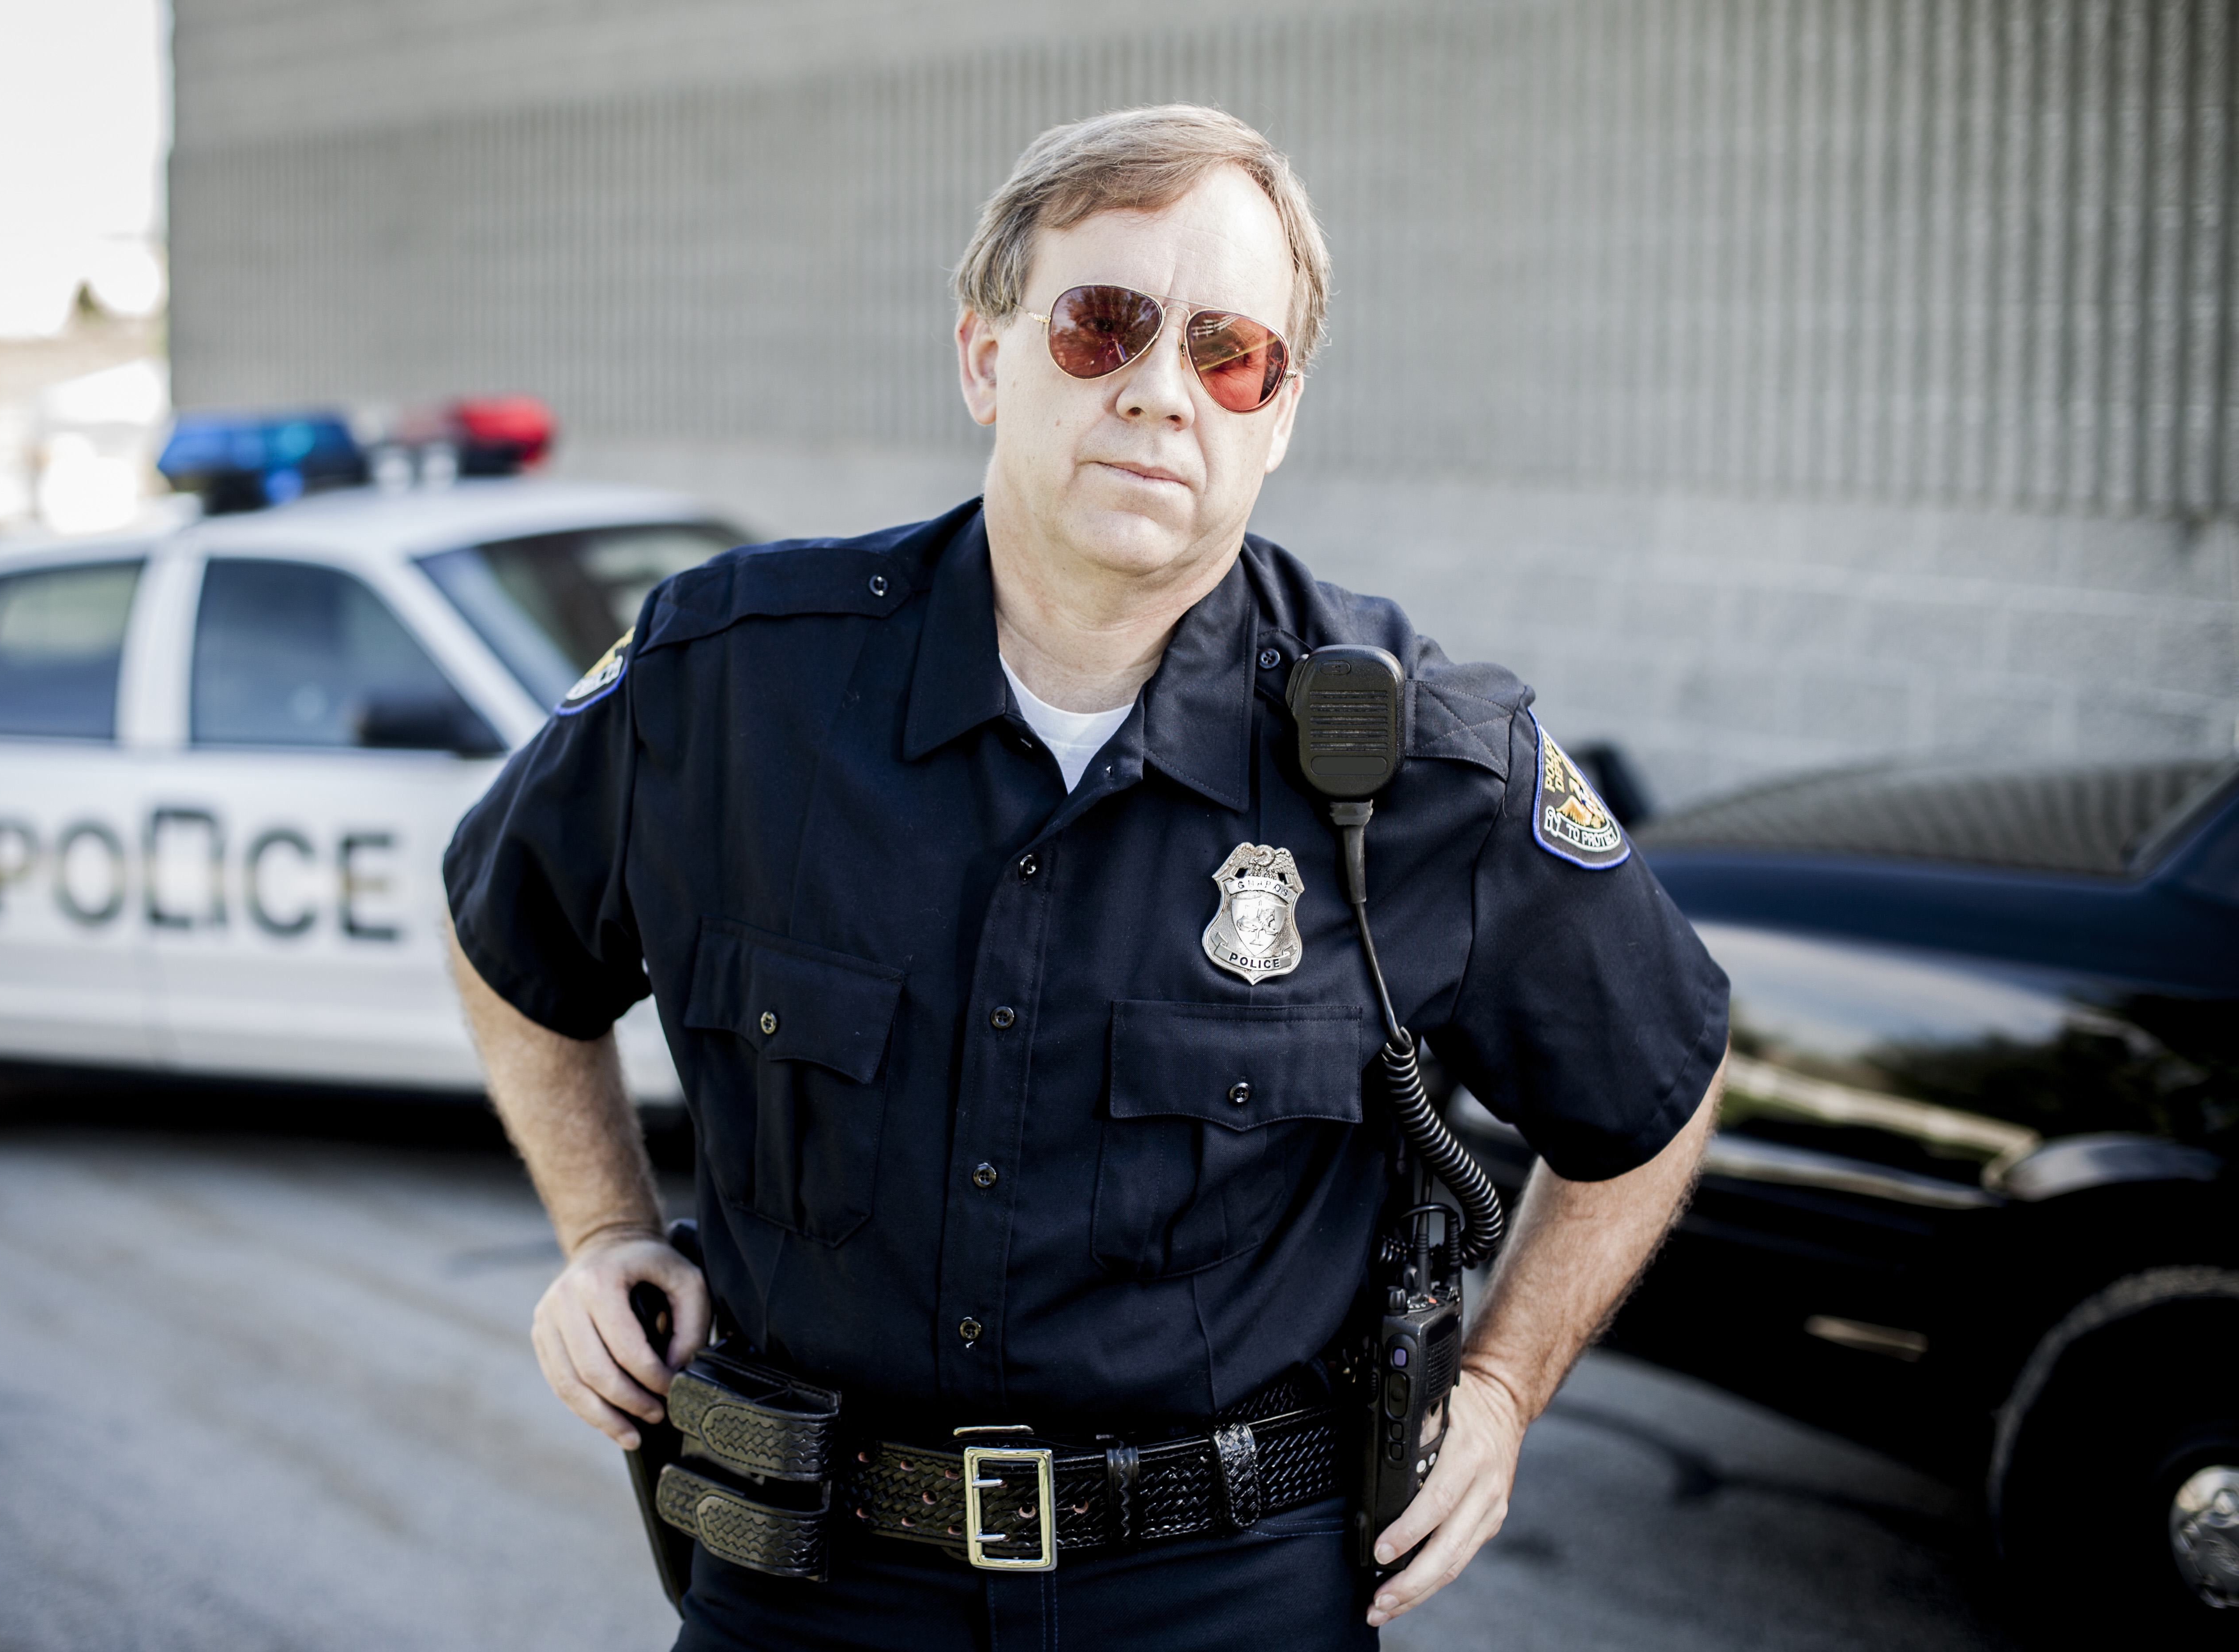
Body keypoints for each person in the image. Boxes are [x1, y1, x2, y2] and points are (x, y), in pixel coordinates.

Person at [444, 104, 1729, 1650]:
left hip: (1227, 1596)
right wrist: (603, 1235)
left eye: (1227, 352)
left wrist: (1508, 1387)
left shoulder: (1428, 763)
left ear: (1280, 412)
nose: (1160, 392)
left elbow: (1656, 1087)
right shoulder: (730, 684)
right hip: (805, 1587)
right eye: (1102, 324)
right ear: (984, 356)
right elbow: (505, 941)